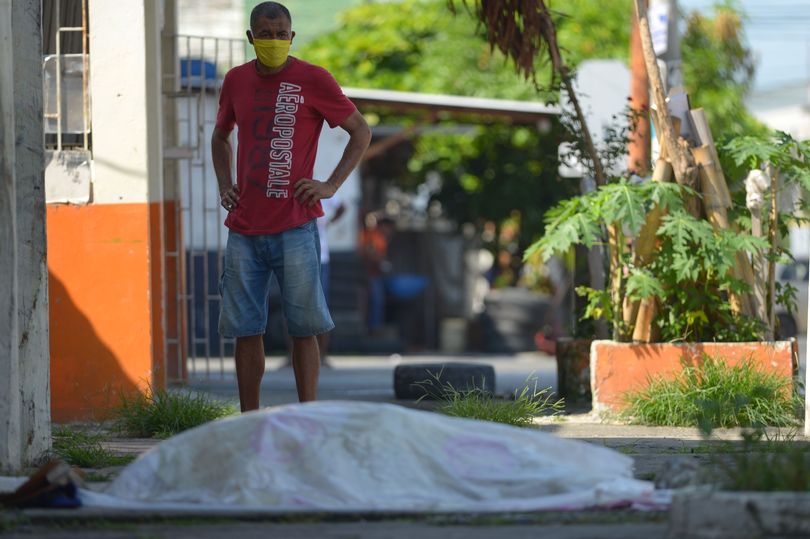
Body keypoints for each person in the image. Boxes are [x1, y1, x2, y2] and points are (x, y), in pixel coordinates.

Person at [211, 1, 371, 411]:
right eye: (266, 35)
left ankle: (308, 415)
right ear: (251, 38)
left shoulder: (314, 79)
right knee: (247, 330)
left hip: (296, 225)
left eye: (281, 34)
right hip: (244, 228)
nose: (274, 41)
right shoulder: (236, 80)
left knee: (304, 329)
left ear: (292, 36)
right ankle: (250, 417)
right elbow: (220, 136)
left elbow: (360, 131)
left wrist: (330, 184)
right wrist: (225, 184)